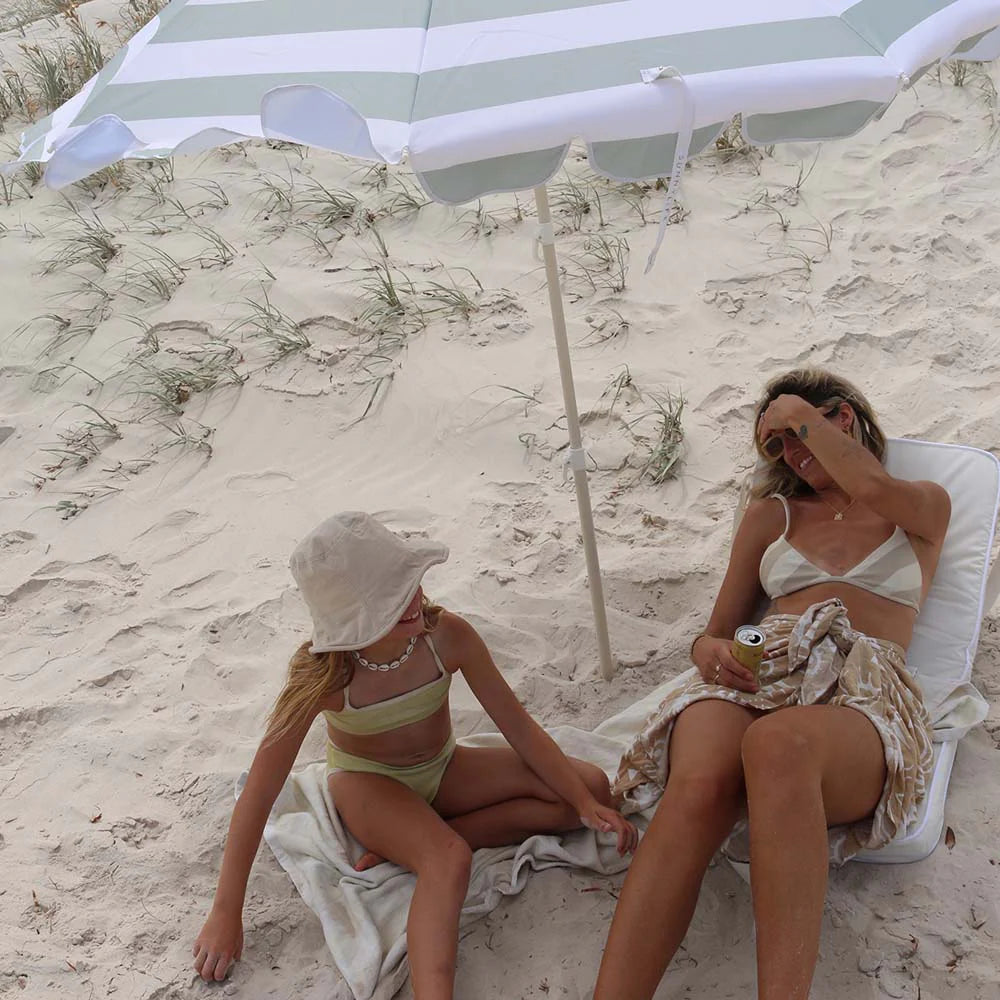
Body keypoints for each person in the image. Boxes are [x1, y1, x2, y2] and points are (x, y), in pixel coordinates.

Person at [594, 368, 950, 1000]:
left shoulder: (918, 505)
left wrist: (793, 408)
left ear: (844, 418)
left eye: (797, 432)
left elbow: (868, 479)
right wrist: (712, 655)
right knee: (700, 780)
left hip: (860, 684)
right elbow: (716, 632)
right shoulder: (770, 516)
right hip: (764, 663)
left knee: (778, 745)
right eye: (779, 444)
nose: (791, 453)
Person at [192, 511, 637, 996]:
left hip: (444, 767)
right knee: (448, 860)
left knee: (592, 790)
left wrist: (583, 800)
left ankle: (406, 848)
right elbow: (259, 793)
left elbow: (521, 731)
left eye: (409, 583)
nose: (412, 601)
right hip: (368, 785)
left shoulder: (447, 637)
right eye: (389, 601)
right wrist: (225, 911)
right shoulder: (324, 677)